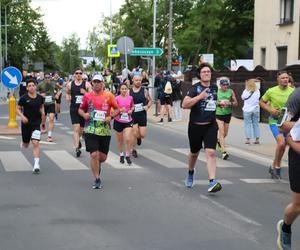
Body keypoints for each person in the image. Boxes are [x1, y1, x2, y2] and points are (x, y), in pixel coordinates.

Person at [182, 63, 222, 193]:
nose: (206, 73)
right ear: (200, 74)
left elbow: (212, 102)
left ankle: (212, 181)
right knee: (194, 153)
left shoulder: (215, 88)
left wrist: (220, 104)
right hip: (195, 126)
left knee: (210, 152)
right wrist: (199, 97)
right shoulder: (194, 89)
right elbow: (184, 104)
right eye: (204, 72)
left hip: (210, 125)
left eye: (208, 72)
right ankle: (190, 172)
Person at [78, 74, 119, 189]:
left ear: (102, 83)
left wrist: (110, 117)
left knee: (102, 157)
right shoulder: (87, 96)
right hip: (91, 128)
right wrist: (84, 114)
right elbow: (80, 109)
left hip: (105, 130)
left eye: (98, 82)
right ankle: (97, 178)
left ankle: (97, 164)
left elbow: (117, 109)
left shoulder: (109, 95)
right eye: (94, 82)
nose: (96, 84)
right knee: (94, 154)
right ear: (92, 83)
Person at [277, 87, 300, 250]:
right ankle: (285, 227)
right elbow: (282, 125)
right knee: (298, 204)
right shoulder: (297, 95)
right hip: (298, 152)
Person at [260, 71, 294, 179]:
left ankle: (273, 165)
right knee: (281, 143)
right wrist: (271, 109)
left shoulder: (293, 92)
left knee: (283, 146)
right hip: (275, 121)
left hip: (288, 122)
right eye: (283, 78)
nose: (285, 80)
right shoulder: (271, 91)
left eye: (287, 78)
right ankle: (277, 167)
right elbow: (261, 102)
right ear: (278, 80)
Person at [16, 79, 45, 173]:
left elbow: (41, 107)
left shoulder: (40, 98)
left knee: (36, 143)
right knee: (26, 144)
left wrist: (43, 117)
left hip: (36, 123)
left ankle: (36, 165)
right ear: (27, 88)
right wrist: (22, 116)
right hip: (26, 124)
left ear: (36, 86)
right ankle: (24, 142)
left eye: (33, 85)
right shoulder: (24, 98)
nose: (32, 87)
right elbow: (17, 109)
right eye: (30, 86)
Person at [66, 69, 92, 157]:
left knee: (81, 130)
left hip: (83, 110)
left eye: (80, 73)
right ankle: (77, 148)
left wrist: (85, 93)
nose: (78, 75)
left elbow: (92, 97)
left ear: (82, 75)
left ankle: (78, 141)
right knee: (76, 129)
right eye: (76, 73)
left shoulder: (87, 84)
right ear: (74, 75)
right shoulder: (70, 84)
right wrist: (68, 97)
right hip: (74, 109)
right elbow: (67, 93)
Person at [130, 74, 152, 158]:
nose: (138, 82)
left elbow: (150, 101)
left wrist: (148, 106)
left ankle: (139, 138)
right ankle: (133, 149)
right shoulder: (129, 91)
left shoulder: (144, 91)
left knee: (142, 135)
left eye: (139, 80)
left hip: (142, 114)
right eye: (136, 80)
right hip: (133, 115)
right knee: (134, 132)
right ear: (133, 80)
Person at [215, 77, 238, 160]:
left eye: (226, 85)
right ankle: (224, 152)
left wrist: (230, 103)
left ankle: (218, 142)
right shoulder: (217, 92)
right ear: (220, 85)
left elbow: (236, 103)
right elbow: (213, 101)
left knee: (225, 134)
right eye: (223, 85)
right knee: (221, 132)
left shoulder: (230, 92)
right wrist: (219, 103)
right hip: (218, 114)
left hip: (227, 114)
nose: (225, 86)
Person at [113, 83, 134, 165]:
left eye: (125, 89)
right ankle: (121, 154)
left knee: (128, 139)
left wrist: (131, 110)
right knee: (120, 140)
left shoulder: (130, 98)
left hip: (128, 120)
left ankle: (127, 156)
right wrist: (119, 110)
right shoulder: (116, 98)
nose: (124, 90)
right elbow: (113, 109)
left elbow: (132, 106)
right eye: (122, 89)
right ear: (119, 90)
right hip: (118, 120)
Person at [37, 73, 56, 142]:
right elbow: (34, 92)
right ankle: (43, 124)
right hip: (43, 104)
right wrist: (40, 94)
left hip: (51, 103)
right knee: (43, 119)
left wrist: (58, 94)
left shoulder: (53, 84)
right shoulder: (40, 85)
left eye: (48, 78)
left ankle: (49, 136)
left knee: (51, 119)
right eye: (46, 78)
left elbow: (60, 88)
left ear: (50, 78)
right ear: (44, 78)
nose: (47, 79)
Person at [241, 79, 261, 144]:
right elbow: (258, 98)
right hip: (256, 108)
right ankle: (257, 139)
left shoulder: (246, 91)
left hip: (247, 109)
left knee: (247, 124)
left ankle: (248, 139)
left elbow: (242, 98)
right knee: (256, 124)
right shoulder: (257, 91)